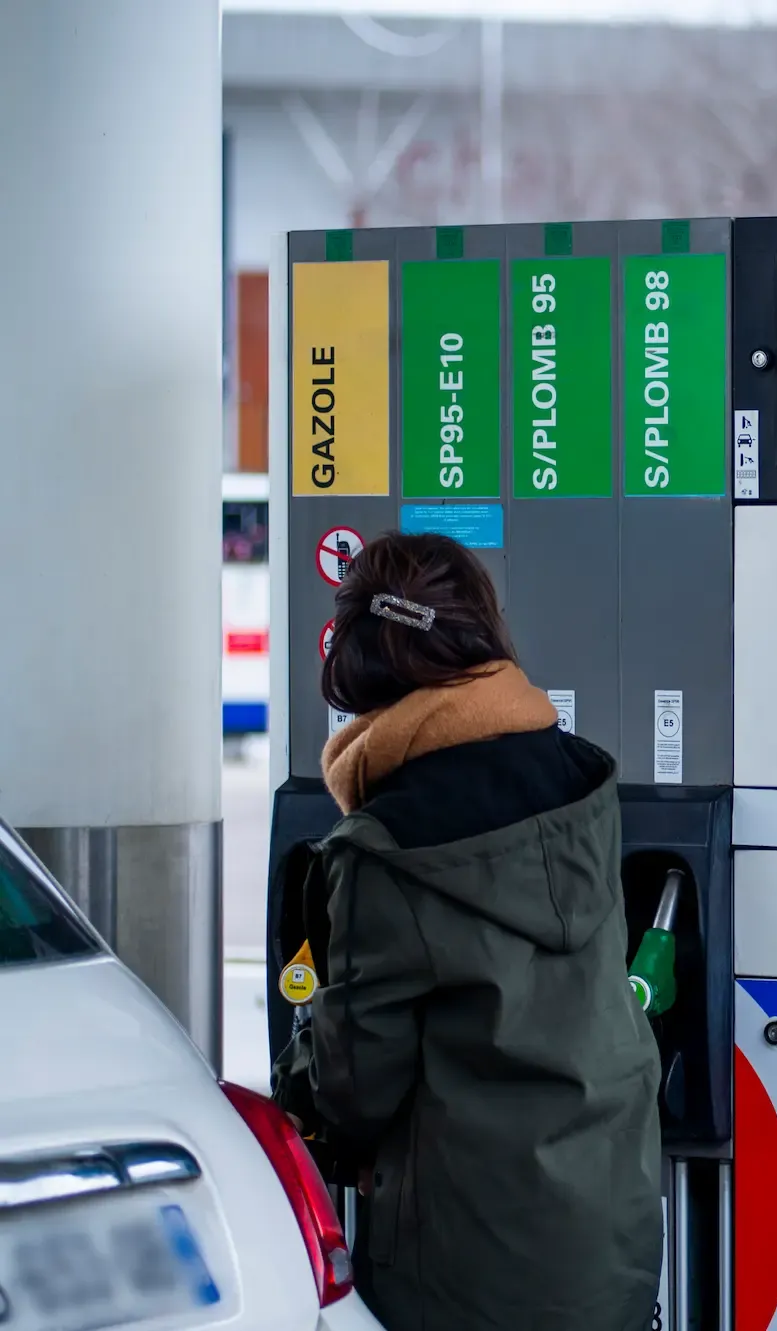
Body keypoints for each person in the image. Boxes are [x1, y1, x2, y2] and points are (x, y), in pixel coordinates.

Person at [275, 532, 661, 1331]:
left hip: (469, 1271)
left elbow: (355, 1090)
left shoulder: (385, 850)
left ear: (370, 670)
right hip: (611, 1239)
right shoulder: (581, 782)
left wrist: (293, 1077)